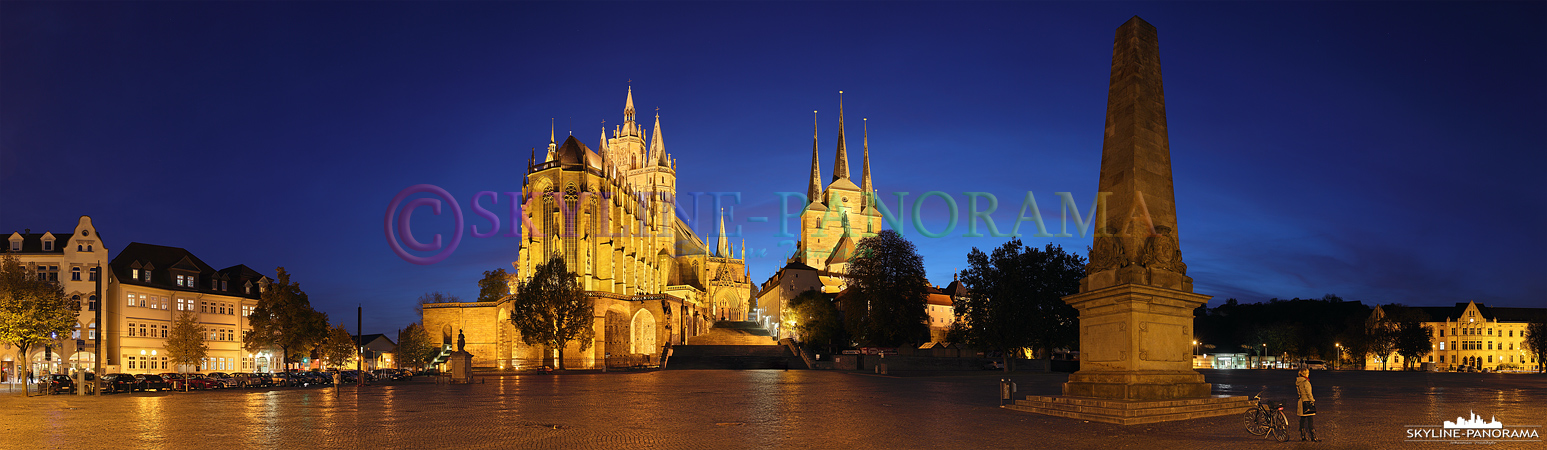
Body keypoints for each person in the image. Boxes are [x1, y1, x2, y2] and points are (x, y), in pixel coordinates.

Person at [1297, 368, 1320, 442]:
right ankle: (1313, 437)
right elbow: (1309, 393)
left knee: (1302, 420)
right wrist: (1312, 400)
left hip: (1301, 402)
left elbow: (1299, 393)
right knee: (1310, 420)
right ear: (1305, 373)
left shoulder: (1298, 381)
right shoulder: (1306, 382)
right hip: (1307, 402)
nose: (1308, 374)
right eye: (1307, 372)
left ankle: (1303, 436)